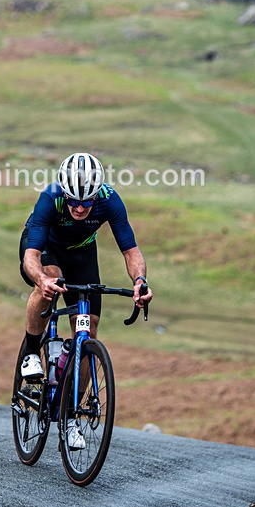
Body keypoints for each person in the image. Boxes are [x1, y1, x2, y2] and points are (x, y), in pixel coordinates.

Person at [19, 152, 153, 449]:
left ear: (97, 195)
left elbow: (130, 250)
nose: (80, 208)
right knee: (52, 279)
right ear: (64, 193)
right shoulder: (50, 198)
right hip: (46, 249)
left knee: (88, 332)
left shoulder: (110, 200)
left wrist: (140, 282)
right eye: (74, 201)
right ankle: (31, 352)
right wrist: (41, 279)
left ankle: (70, 417)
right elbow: (32, 256)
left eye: (86, 202)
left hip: (82, 254)